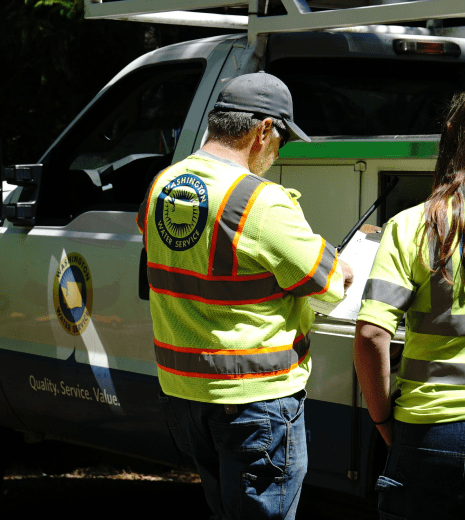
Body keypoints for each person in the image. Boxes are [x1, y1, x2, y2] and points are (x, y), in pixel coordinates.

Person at [137, 71, 354, 520]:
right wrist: (340, 264)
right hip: (255, 400)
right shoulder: (259, 201)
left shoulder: (162, 184)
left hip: (184, 392)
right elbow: (330, 285)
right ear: (263, 131)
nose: (277, 153)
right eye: (281, 141)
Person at [354, 91, 465, 520]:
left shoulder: (412, 226)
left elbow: (371, 335)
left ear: (450, 134)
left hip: (430, 432)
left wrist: (384, 422)